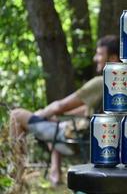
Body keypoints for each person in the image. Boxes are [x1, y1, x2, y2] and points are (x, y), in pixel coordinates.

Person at [9, 35, 120, 185]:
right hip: (96, 137)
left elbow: (59, 105)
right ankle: (55, 173)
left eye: (100, 54)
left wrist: (38, 115)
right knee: (56, 122)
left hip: (78, 138)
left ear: (113, 58)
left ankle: (16, 177)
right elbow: (86, 110)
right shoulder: (125, 82)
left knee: (17, 115)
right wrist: (61, 115)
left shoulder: (102, 82)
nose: (95, 58)